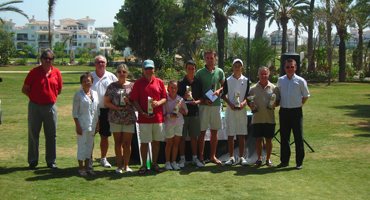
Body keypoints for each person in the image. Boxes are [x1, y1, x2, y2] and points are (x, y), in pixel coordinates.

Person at [22, 50, 62, 170]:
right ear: (41, 59)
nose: (48, 60)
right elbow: (25, 89)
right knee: (33, 134)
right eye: (45, 58)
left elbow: (58, 90)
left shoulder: (56, 72)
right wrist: (34, 98)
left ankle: (51, 161)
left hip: (50, 107)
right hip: (35, 106)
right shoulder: (34, 72)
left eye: (50, 58)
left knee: (51, 135)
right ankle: (33, 161)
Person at [130, 59, 167, 174]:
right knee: (145, 142)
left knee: (156, 142)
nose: (148, 71)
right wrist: (141, 113)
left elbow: (165, 98)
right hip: (144, 118)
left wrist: (158, 103)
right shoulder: (138, 83)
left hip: (157, 118)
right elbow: (134, 101)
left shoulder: (159, 82)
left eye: (150, 68)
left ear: (154, 69)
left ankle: (154, 163)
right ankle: (144, 165)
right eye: (146, 68)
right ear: (143, 69)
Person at [277, 58, 310, 170]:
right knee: (284, 137)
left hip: (296, 111)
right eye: (287, 67)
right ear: (284, 68)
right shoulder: (280, 80)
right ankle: (284, 161)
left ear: (295, 68)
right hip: (284, 111)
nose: (290, 69)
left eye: (292, 67)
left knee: (298, 136)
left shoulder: (301, 81)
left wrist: (298, 104)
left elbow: (305, 96)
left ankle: (299, 162)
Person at [104, 64, 137, 173]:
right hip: (115, 118)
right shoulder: (112, 86)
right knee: (118, 142)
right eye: (119, 71)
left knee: (127, 143)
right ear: (116, 73)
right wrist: (117, 108)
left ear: (127, 73)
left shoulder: (132, 86)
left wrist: (129, 102)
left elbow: (136, 102)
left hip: (128, 117)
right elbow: (106, 102)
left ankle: (126, 165)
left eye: (124, 71)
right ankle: (119, 166)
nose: (121, 74)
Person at [195, 50, 225, 164]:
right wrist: (204, 99)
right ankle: (201, 157)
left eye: (211, 58)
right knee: (202, 132)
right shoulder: (199, 73)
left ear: (215, 58)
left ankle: (213, 156)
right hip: (203, 106)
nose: (209, 60)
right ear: (205, 59)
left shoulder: (220, 72)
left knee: (214, 132)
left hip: (216, 105)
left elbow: (224, 87)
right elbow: (196, 90)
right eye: (207, 58)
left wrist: (218, 91)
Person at [248, 66, 280, 167]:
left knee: (269, 139)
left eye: (265, 74)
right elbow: (249, 101)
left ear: (269, 75)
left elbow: (278, 101)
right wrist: (251, 105)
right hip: (257, 118)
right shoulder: (252, 89)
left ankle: (268, 159)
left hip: (269, 118)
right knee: (258, 139)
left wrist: (275, 104)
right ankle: (259, 158)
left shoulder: (274, 88)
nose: (263, 76)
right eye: (261, 74)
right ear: (258, 75)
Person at [91, 55, 118, 168]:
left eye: (102, 62)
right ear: (95, 64)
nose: (100, 64)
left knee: (105, 136)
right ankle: (89, 159)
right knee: (90, 135)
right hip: (92, 111)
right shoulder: (90, 76)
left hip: (106, 110)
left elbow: (119, 90)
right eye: (98, 62)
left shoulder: (111, 77)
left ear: (106, 64)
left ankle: (103, 158)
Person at [177, 60, 205, 168]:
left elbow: (201, 98)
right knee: (182, 137)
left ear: (195, 69)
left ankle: (194, 158)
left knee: (194, 137)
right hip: (182, 114)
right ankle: (182, 159)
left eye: (193, 68)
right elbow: (176, 98)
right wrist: (183, 98)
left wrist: (195, 102)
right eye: (189, 68)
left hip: (194, 113)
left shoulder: (198, 82)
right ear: (186, 68)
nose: (190, 70)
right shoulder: (180, 83)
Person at [222, 59, 249, 166]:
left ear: (242, 67)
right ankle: (231, 157)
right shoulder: (228, 80)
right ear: (232, 67)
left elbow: (247, 95)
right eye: (235, 66)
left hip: (242, 110)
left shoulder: (246, 80)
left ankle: (241, 157)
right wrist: (230, 104)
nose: (237, 68)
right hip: (231, 110)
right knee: (230, 134)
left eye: (239, 66)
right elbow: (223, 95)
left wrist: (243, 103)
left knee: (241, 134)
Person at [72, 72, 99, 176]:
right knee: (82, 146)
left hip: (92, 125)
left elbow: (97, 110)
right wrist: (77, 125)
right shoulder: (78, 95)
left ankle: (88, 167)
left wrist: (97, 123)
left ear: (92, 81)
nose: (86, 83)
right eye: (84, 81)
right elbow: (75, 112)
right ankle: (81, 167)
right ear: (81, 83)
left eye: (88, 80)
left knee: (89, 146)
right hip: (82, 125)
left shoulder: (95, 94)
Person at [163, 81, 188, 170]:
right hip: (169, 123)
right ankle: (167, 162)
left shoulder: (180, 99)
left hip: (179, 123)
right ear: (168, 88)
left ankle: (173, 162)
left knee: (176, 143)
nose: (173, 90)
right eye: (172, 88)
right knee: (169, 143)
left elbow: (185, 112)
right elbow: (164, 113)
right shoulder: (165, 99)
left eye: (175, 88)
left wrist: (180, 109)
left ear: (178, 89)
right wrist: (171, 116)